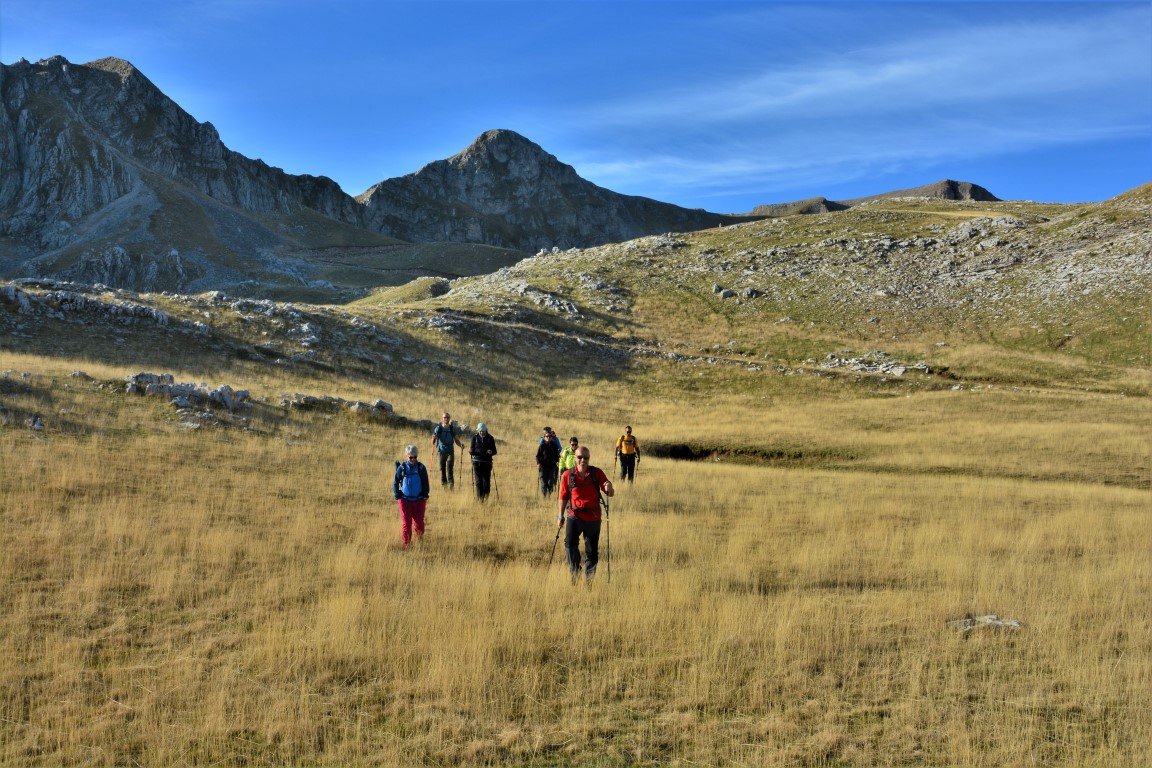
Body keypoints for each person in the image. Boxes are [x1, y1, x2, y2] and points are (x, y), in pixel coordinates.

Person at [558, 446, 614, 584]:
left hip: (593, 518)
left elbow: (610, 493)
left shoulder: (596, 473)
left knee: (592, 552)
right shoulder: (567, 475)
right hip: (574, 516)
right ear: (575, 458)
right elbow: (563, 496)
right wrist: (560, 515)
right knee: (570, 545)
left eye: (586, 458)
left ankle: (589, 582)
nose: (583, 460)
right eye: (580, 457)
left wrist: (609, 486)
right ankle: (575, 572)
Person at [393, 445, 430, 548]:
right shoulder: (402, 468)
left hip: (419, 500)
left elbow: (425, 482)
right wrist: (397, 495)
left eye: (415, 457)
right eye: (411, 457)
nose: (413, 459)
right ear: (406, 456)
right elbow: (396, 482)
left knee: (419, 524)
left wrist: (425, 495)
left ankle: (420, 540)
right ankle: (407, 545)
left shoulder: (421, 468)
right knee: (406, 523)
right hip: (405, 500)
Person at [431, 412, 464, 489]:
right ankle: (444, 486)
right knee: (442, 469)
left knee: (450, 468)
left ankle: (451, 486)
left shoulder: (452, 429)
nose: (446, 419)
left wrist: (460, 445)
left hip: (450, 451)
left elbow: (456, 440)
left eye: (447, 417)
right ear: (442, 419)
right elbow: (433, 439)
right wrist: (433, 439)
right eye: (444, 417)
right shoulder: (438, 428)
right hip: (441, 451)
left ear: (449, 419)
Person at [469, 422, 498, 501]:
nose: (482, 432)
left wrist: (491, 452)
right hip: (476, 462)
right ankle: (480, 499)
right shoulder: (474, 438)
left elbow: (495, 451)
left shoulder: (490, 438)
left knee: (486, 481)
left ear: (486, 430)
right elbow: (472, 450)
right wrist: (470, 451)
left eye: (483, 431)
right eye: (480, 431)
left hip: (487, 462)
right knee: (478, 481)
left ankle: (486, 497)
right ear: (478, 430)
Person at [536, 426, 562, 497]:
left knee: (551, 482)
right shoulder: (542, 446)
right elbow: (538, 455)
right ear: (544, 437)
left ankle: (549, 494)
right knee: (543, 482)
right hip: (543, 466)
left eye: (550, 436)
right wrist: (538, 463)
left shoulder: (554, 445)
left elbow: (557, 454)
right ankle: (545, 497)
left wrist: (557, 460)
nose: (548, 437)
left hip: (551, 466)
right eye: (547, 436)